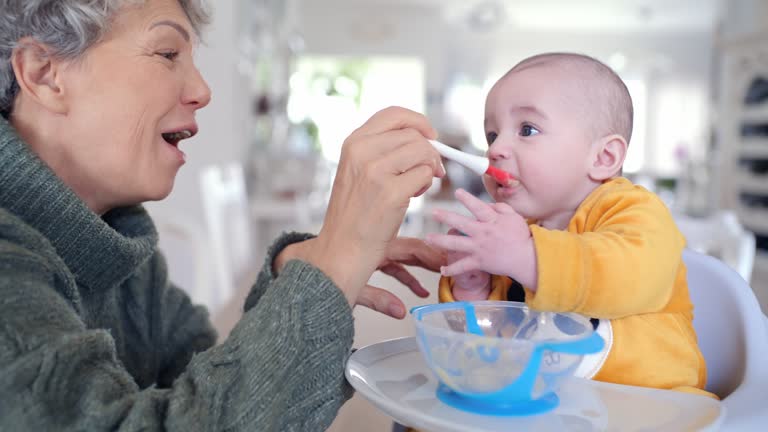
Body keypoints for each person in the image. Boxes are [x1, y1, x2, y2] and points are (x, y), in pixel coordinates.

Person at [0, 0, 447, 430]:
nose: (202, 91)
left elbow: (199, 393)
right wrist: (335, 265)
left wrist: (297, 283)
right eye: (167, 53)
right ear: (45, 74)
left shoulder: (119, 247)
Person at [425, 52, 713, 398]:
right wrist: (474, 291)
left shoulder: (636, 210)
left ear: (603, 157)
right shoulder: (515, 228)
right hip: (546, 400)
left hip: (650, 403)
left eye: (527, 130)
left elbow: (628, 275)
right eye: (491, 134)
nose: (496, 148)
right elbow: (490, 346)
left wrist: (528, 258)